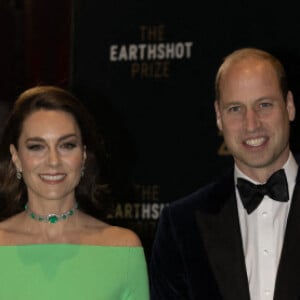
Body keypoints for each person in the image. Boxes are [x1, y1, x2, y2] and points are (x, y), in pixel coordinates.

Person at [150, 47, 300, 300]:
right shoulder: (181, 225)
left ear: (289, 106)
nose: (251, 124)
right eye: (235, 109)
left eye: (264, 105)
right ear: (219, 116)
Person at [0, 85, 150, 299]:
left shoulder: (122, 248)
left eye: (67, 145)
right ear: (16, 157)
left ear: (83, 155)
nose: (53, 161)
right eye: (36, 147)